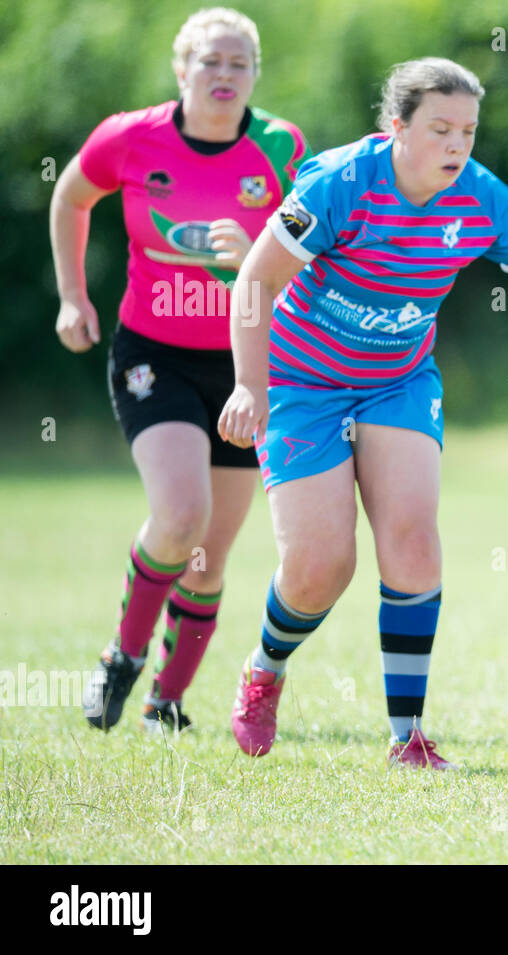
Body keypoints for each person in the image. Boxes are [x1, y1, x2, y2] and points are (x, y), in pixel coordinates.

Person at [217, 57, 508, 769]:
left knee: (415, 545)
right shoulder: (340, 184)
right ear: (395, 127)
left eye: (468, 131)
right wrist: (249, 384)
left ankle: (407, 737)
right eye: (440, 129)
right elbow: (256, 277)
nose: (457, 145)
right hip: (301, 383)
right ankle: (264, 669)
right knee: (319, 566)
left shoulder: (480, 197)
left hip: (398, 381)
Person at [51, 8, 309, 735]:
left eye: (239, 64)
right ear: (181, 69)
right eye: (211, 62)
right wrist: (74, 296)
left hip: (247, 362)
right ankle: (122, 656)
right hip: (153, 355)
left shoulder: (283, 149)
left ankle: (167, 700)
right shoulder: (131, 137)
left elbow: (320, 250)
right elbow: (71, 195)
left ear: (255, 73)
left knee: (206, 556)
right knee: (179, 514)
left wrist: (255, 248)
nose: (224, 75)